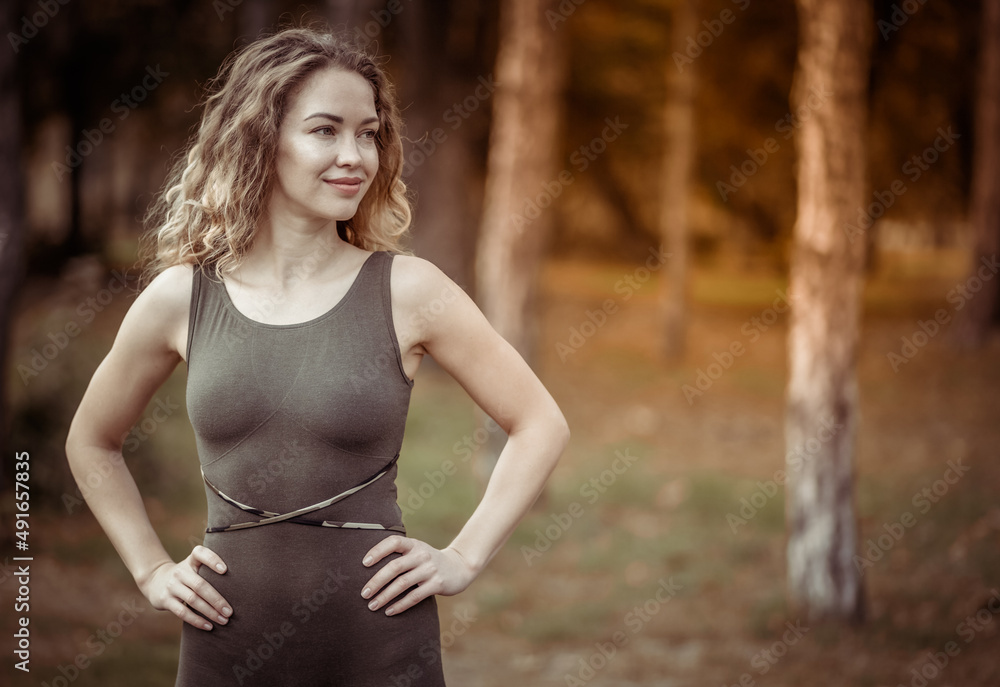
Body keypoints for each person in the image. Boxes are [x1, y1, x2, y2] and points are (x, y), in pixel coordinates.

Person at [64, 26, 569, 686]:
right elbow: (91, 439)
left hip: (379, 642)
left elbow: (540, 422)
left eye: (369, 132)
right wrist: (151, 568)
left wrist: (464, 556)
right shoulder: (181, 297)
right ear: (259, 137)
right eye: (325, 130)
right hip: (226, 641)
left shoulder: (409, 290)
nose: (355, 155)